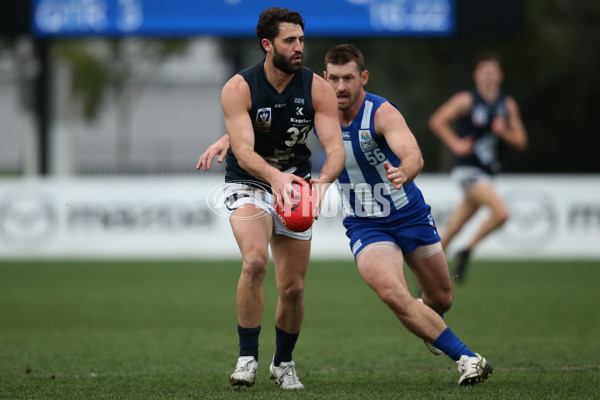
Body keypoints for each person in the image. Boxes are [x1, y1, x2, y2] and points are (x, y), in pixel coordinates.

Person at [199, 44, 494, 387]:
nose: (340, 86)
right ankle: (468, 358)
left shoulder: (381, 113)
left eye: (348, 78)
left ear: (362, 78)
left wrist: (405, 171)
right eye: (334, 78)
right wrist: (227, 139)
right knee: (392, 292)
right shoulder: (316, 109)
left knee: (441, 298)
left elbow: (413, 153)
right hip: (365, 225)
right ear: (325, 79)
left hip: (409, 215)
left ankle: (429, 320)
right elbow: (268, 126)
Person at [196, 7, 345, 390]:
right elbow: (243, 151)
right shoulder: (239, 88)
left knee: (293, 287)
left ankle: (283, 363)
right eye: (289, 41)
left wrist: (321, 183)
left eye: (301, 40)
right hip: (249, 182)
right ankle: (247, 358)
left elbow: (334, 148)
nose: (299, 48)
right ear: (268, 44)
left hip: (296, 185)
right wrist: (275, 178)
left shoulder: (317, 88)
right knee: (256, 261)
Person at [428, 51, 528, 282]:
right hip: (468, 171)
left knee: (453, 228)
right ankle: (466, 251)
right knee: (502, 214)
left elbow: (522, 142)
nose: (489, 76)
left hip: (488, 174)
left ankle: (427, 278)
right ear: (476, 75)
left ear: (500, 75)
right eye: (485, 72)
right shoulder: (467, 100)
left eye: (493, 71)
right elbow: (437, 120)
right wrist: (455, 144)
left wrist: (505, 133)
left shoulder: (507, 105)